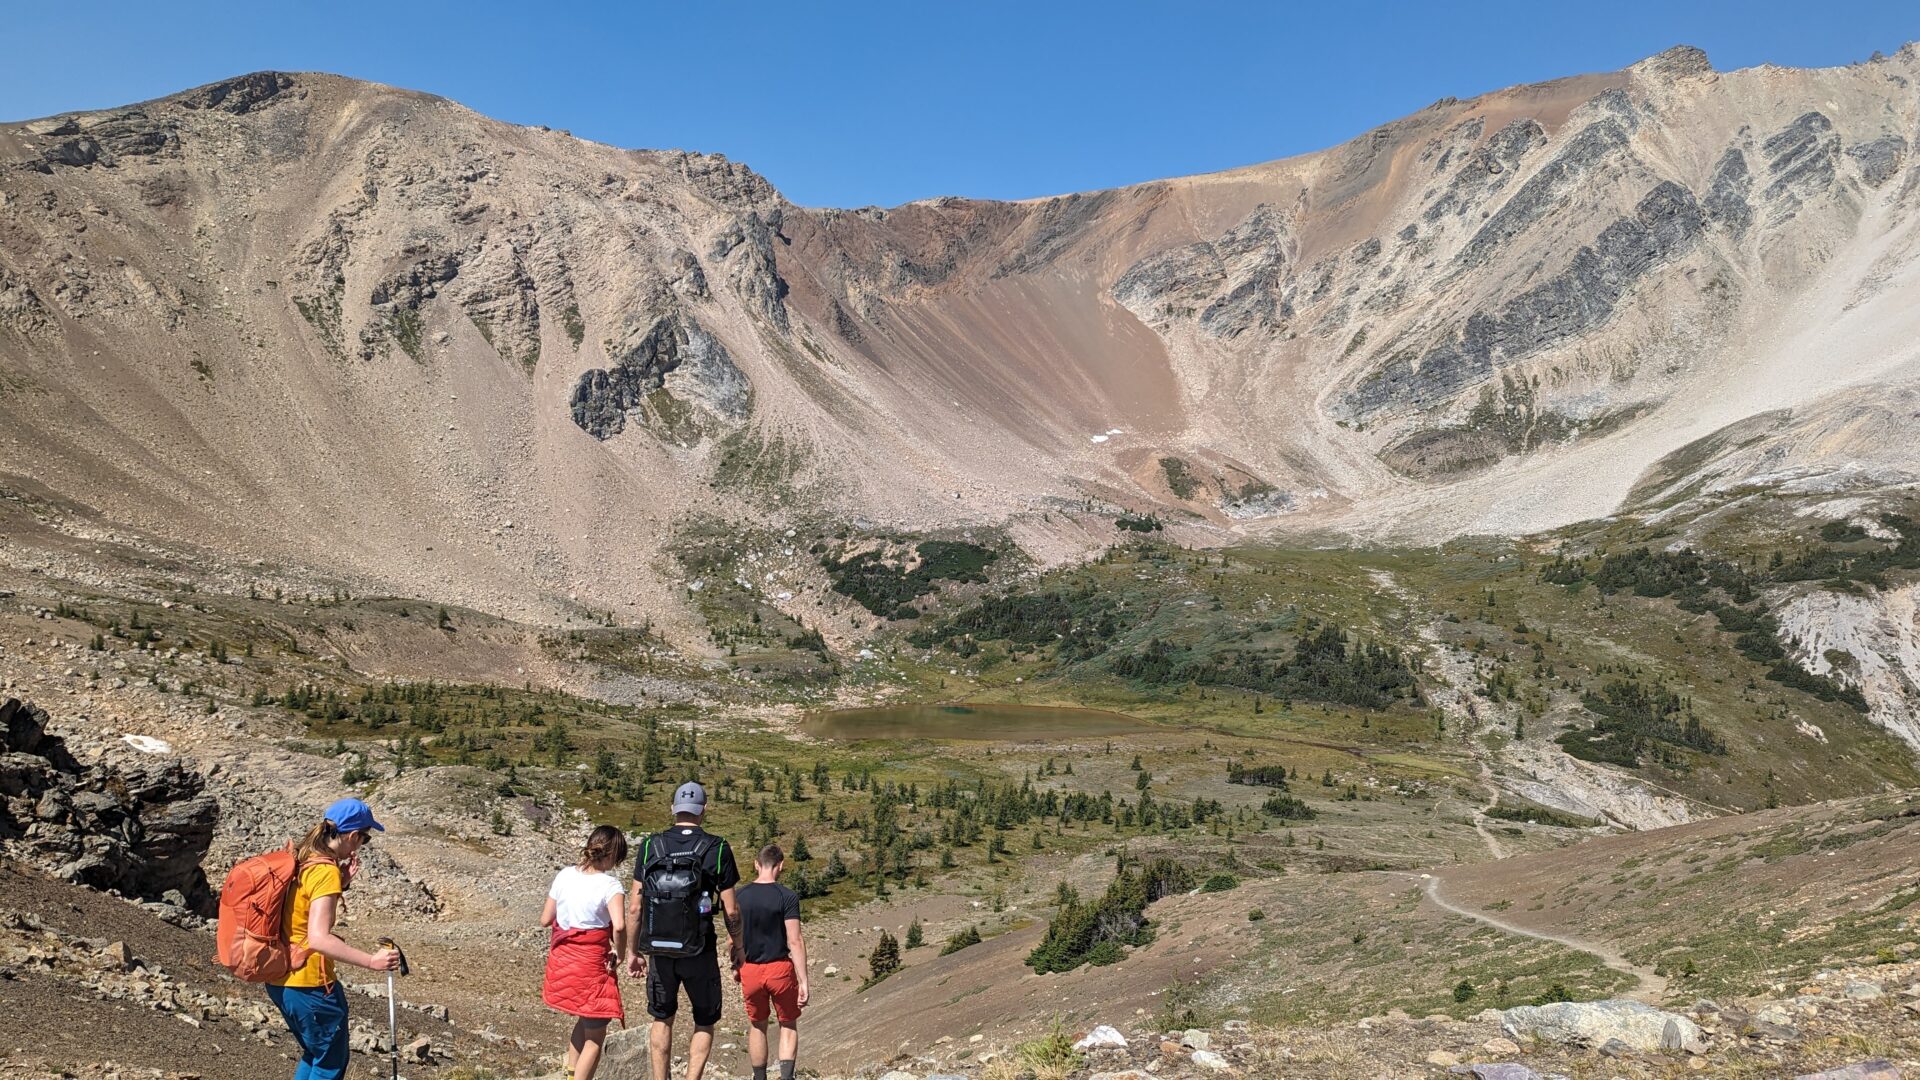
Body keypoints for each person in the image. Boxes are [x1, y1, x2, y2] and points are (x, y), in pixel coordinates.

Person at [267, 798, 400, 1080]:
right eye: (364, 837)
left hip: (281, 980)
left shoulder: (303, 859)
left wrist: (341, 882)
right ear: (352, 836)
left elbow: (300, 912)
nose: (362, 843)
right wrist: (372, 961)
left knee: (316, 1054)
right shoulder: (325, 871)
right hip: (310, 985)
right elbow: (318, 938)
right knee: (329, 1065)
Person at [626, 781, 740, 1080]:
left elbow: (635, 906)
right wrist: (737, 946)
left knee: (661, 1018)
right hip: (699, 949)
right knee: (704, 1019)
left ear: (673, 809)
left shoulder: (652, 845)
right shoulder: (717, 848)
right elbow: (731, 910)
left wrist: (632, 951)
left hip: (659, 950)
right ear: (704, 810)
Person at [541, 825, 630, 1080]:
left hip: (562, 960)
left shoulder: (565, 875)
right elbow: (620, 925)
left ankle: (571, 1073)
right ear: (613, 855)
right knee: (596, 1030)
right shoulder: (610, 885)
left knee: (584, 1019)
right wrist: (620, 952)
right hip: (590, 964)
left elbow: (546, 919)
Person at [735, 844, 809, 1080]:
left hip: (750, 968)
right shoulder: (787, 896)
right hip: (779, 968)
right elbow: (795, 940)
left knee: (758, 1025)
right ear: (781, 865)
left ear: (757, 864)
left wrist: (736, 964)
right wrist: (803, 980)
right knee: (787, 1023)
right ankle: (786, 1077)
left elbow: (731, 938)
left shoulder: (740, 895)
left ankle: (759, 1077)